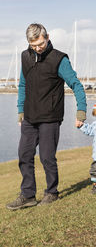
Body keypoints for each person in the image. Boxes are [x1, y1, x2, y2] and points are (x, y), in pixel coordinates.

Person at [6, 23, 86, 210]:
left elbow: (76, 84)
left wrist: (81, 111)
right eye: (33, 45)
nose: (38, 48)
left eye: (40, 43)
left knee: (47, 157)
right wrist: (20, 111)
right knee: (24, 155)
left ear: (47, 37)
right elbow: (23, 85)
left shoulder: (59, 59)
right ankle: (28, 195)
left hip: (50, 117)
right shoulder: (25, 57)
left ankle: (52, 192)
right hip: (29, 116)